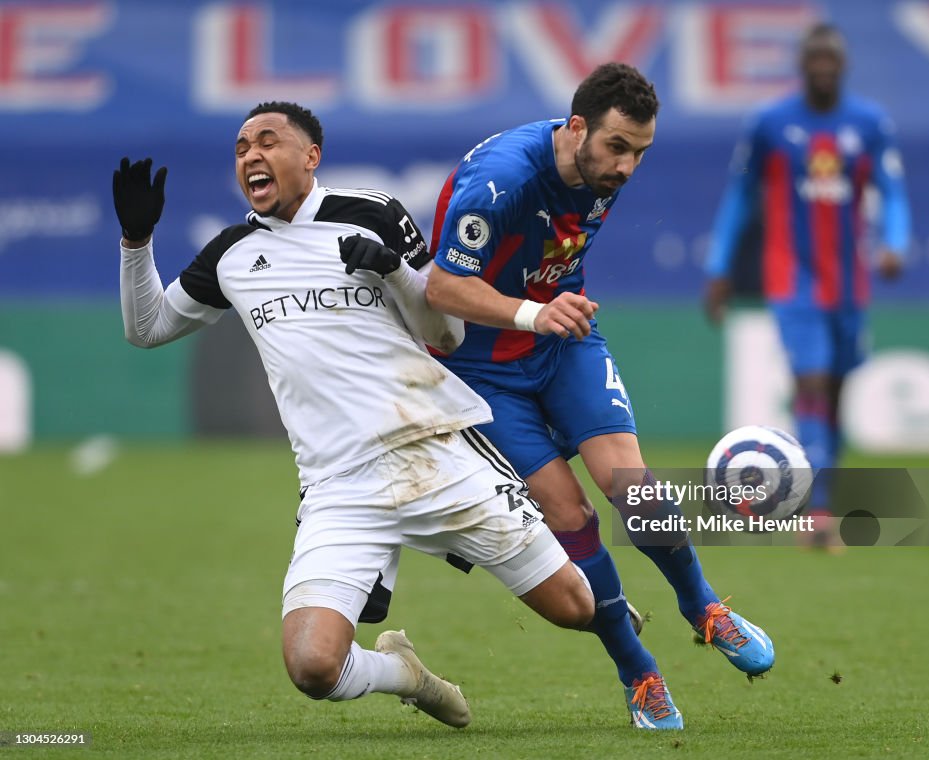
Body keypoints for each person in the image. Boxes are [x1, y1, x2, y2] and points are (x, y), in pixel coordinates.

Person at [113, 101, 595, 730]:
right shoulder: (231, 253)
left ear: (311, 156)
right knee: (312, 668)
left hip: (432, 452)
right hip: (339, 486)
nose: (252, 155)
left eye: (268, 142)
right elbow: (146, 327)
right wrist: (136, 242)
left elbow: (446, 335)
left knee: (575, 608)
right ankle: (407, 675)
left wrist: (394, 272)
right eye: (241, 148)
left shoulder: (374, 214)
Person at [425, 62, 774, 730]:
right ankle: (639, 673)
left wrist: (548, 313)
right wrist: (533, 313)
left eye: (640, 152)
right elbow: (441, 287)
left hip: (563, 343)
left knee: (632, 487)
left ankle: (702, 605)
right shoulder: (501, 180)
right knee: (569, 511)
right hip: (481, 372)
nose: (626, 167)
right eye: (617, 147)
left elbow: (553, 254)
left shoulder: (600, 170)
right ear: (576, 127)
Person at [703, 24, 911, 546]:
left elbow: (892, 191)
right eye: (814, 58)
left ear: (842, 65)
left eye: (829, 59)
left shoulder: (869, 123)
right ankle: (817, 513)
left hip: (849, 281)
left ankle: (823, 495)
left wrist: (895, 242)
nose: (822, 67)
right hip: (791, 276)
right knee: (812, 380)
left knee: (836, 389)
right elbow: (739, 195)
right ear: (801, 65)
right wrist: (719, 266)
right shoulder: (771, 123)